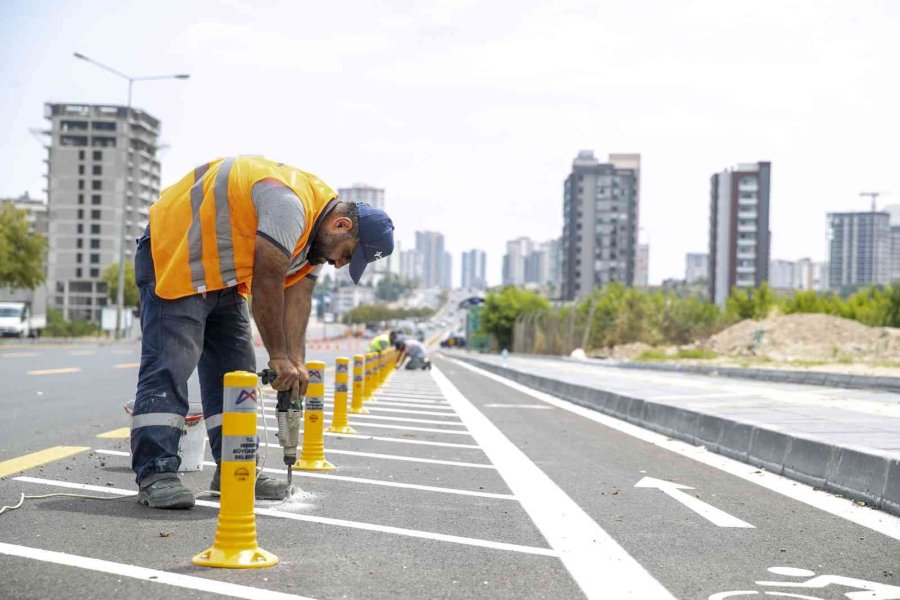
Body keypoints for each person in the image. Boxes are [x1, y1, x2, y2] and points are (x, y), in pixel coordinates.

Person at [131, 156, 394, 509]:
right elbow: (267, 281)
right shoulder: (291, 206)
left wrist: (296, 363)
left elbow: (297, 297)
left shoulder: (318, 235)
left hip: (221, 273)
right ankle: (156, 473)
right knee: (171, 365)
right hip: (176, 253)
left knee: (237, 375)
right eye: (347, 255)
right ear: (342, 225)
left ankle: (236, 471)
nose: (339, 264)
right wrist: (279, 357)